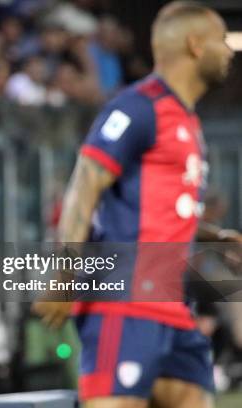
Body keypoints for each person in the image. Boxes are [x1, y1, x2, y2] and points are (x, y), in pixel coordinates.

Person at [32, 2, 236, 408]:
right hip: (125, 301)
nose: (229, 51)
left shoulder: (187, 121)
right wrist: (65, 273)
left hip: (174, 308)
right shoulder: (139, 106)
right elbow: (85, 185)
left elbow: (162, 211)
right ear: (195, 46)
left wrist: (219, 238)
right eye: (220, 41)